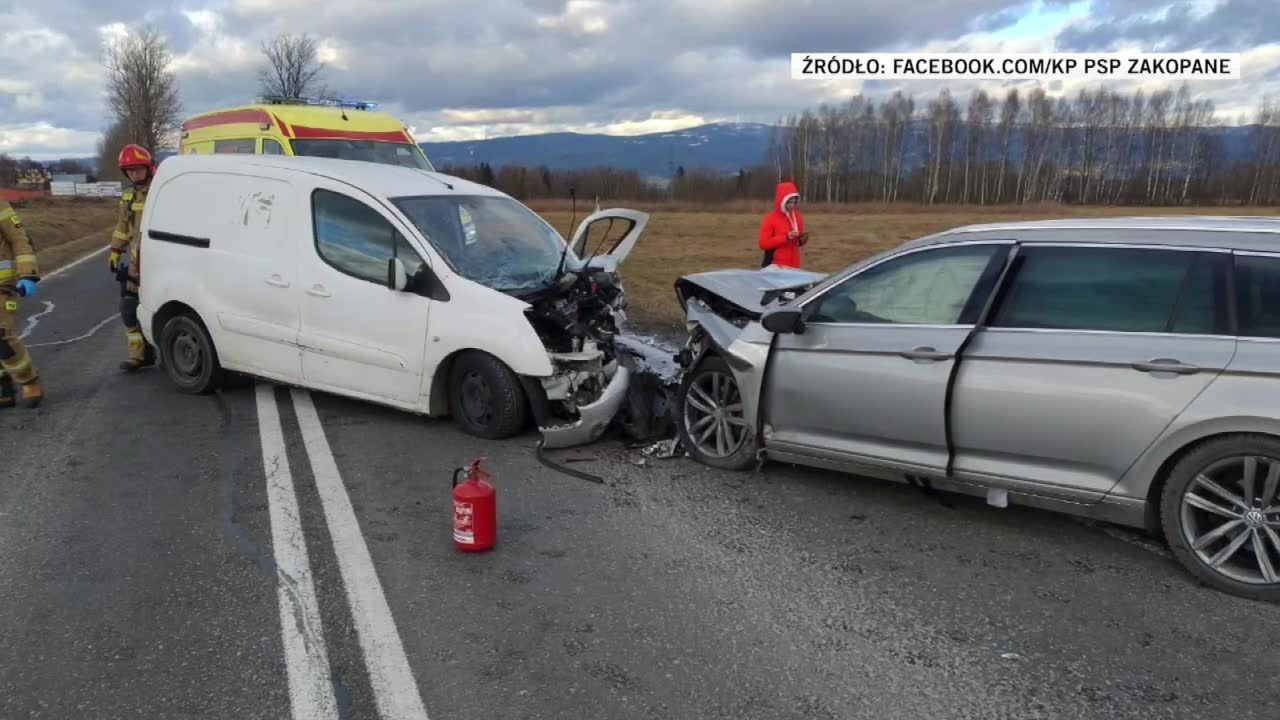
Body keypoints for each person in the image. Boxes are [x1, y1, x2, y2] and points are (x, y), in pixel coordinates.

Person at [109, 144, 158, 372]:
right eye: (129, 171)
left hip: (162, 262)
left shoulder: (161, 189)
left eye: (138, 169)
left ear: (148, 168)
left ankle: (166, 352)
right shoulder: (128, 195)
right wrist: (115, 251)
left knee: (161, 308)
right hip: (137, 265)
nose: (134, 174)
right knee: (129, 308)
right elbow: (122, 227)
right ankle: (139, 355)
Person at [0, 198, 43, 408]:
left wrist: (27, 274)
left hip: (2, 285)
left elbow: (19, 239)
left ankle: (28, 380)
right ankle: (3, 386)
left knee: (2, 336)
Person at [758, 181, 808, 269]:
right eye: (789, 202)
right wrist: (786, 237)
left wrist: (802, 239)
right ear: (782, 201)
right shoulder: (770, 219)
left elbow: (799, 242)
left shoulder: (798, 217)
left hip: (795, 266)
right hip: (776, 267)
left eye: (794, 202)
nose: (792, 205)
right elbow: (763, 244)